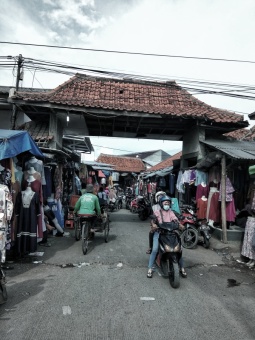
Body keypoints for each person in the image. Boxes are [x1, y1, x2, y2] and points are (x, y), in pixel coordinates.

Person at [147, 195, 187, 278]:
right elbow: (153, 220)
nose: (167, 205)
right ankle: (150, 268)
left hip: (170, 234)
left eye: (168, 203)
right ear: (161, 204)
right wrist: (154, 224)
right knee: (154, 250)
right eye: (165, 203)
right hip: (159, 233)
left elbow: (175, 219)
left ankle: (182, 268)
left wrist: (179, 225)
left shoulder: (171, 212)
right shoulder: (157, 212)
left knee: (179, 249)